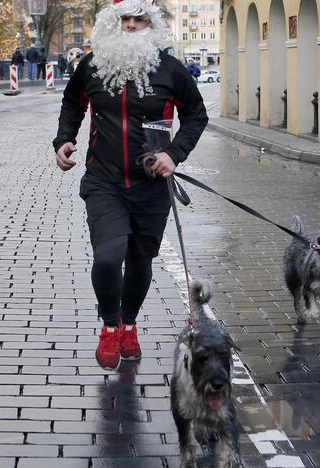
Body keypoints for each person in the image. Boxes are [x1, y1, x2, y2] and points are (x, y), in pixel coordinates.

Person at [53, 0, 208, 370]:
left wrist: (174, 154)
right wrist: (64, 139)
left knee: (140, 260)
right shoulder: (92, 67)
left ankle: (129, 323)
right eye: (126, 19)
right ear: (112, 23)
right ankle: (109, 327)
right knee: (109, 257)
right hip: (103, 181)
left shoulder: (169, 70)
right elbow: (72, 103)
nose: (133, 25)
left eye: (141, 19)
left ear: (151, 25)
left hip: (151, 185)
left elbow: (196, 115)